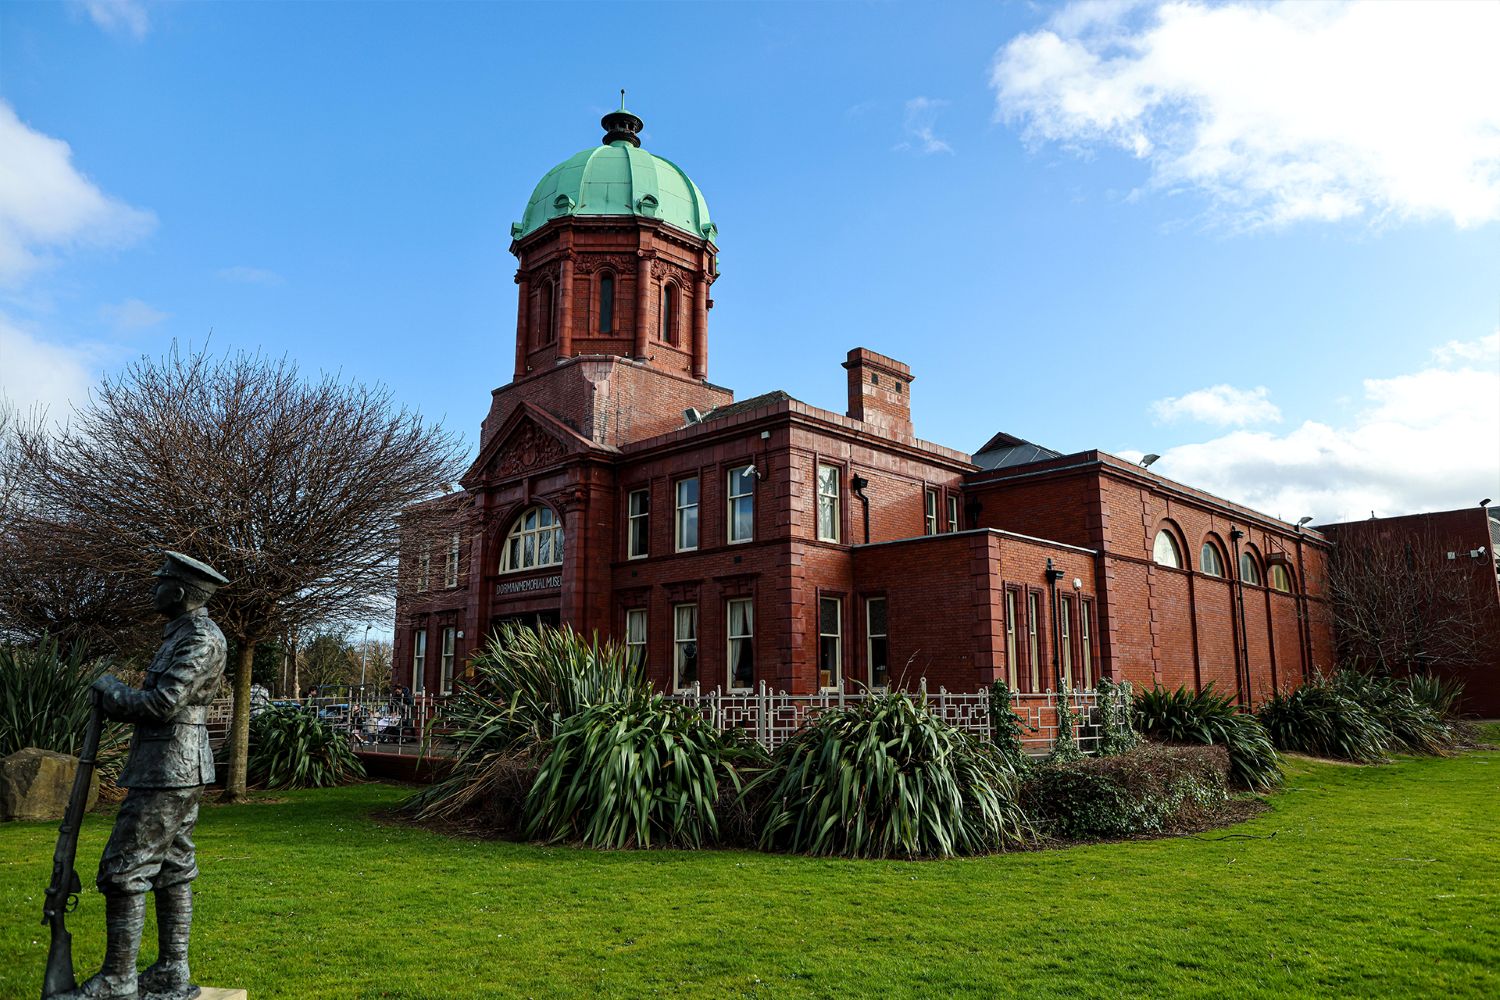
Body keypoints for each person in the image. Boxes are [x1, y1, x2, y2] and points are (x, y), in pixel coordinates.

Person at [51, 551, 229, 1000]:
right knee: (172, 868)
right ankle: (171, 972)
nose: (155, 588)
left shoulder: (199, 637)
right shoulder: (183, 633)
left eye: (162, 581)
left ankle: (119, 978)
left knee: (124, 870)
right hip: (171, 766)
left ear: (180, 592)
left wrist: (113, 692)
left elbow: (162, 704)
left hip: (169, 768)